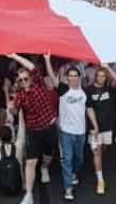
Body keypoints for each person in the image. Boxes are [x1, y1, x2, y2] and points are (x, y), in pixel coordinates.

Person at [44, 53, 100, 202]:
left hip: (81, 131)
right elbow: (52, 77)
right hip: (66, 131)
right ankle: (68, 189)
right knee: (67, 159)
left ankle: (74, 174)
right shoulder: (63, 89)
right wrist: (47, 60)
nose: (73, 78)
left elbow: (89, 109)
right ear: (67, 78)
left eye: (76, 75)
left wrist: (95, 126)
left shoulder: (85, 92)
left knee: (79, 158)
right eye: (71, 76)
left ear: (80, 77)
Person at [9, 53, 58, 204]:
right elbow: (15, 112)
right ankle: (29, 195)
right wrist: (11, 109)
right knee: (30, 161)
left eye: (25, 78)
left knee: (48, 156)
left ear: (31, 77)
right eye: (20, 79)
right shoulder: (20, 94)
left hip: (48, 126)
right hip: (33, 130)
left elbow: (32, 67)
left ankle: (44, 168)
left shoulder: (39, 83)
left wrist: (15, 57)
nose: (23, 81)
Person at [85, 63, 116, 195]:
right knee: (97, 152)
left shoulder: (109, 88)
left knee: (104, 148)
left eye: (103, 76)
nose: (101, 78)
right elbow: (89, 108)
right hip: (95, 128)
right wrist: (94, 126)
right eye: (99, 76)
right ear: (95, 77)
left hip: (108, 126)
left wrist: (108, 68)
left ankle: (95, 162)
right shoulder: (89, 90)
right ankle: (100, 180)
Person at [0, 96, 25, 195]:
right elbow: (22, 126)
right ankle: (23, 183)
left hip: (2, 186)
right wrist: (21, 110)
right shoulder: (18, 145)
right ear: (12, 135)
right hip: (18, 186)